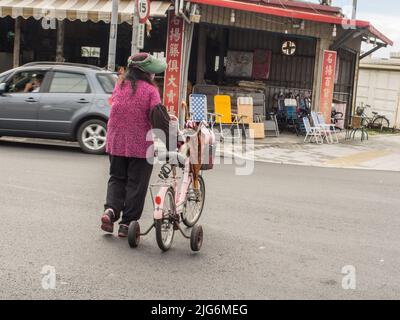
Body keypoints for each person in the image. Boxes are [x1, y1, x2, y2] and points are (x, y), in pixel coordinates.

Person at [101, 52, 167, 237]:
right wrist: (172, 140)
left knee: (117, 178)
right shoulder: (150, 90)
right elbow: (158, 118)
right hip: (140, 144)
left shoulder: (119, 85)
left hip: (115, 140)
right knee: (136, 184)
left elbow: (116, 107)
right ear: (148, 73)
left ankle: (110, 211)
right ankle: (126, 225)